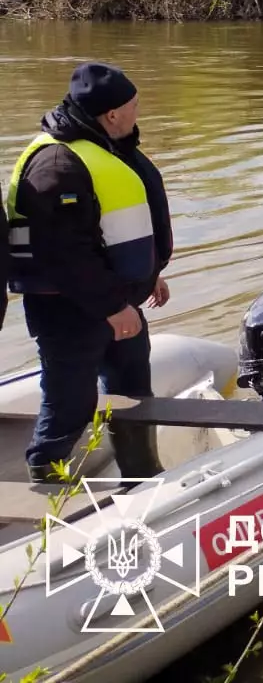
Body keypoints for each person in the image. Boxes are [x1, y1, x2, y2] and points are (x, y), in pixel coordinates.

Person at [6, 63, 172, 484]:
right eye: (134, 105)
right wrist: (113, 306)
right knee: (70, 401)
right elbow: (64, 254)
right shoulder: (56, 164)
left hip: (117, 299)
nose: (139, 111)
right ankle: (47, 475)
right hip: (71, 310)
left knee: (134, 390)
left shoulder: (110, 145)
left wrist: (148, 274)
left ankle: (141, 473)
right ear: (112, 113)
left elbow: (119, 223)